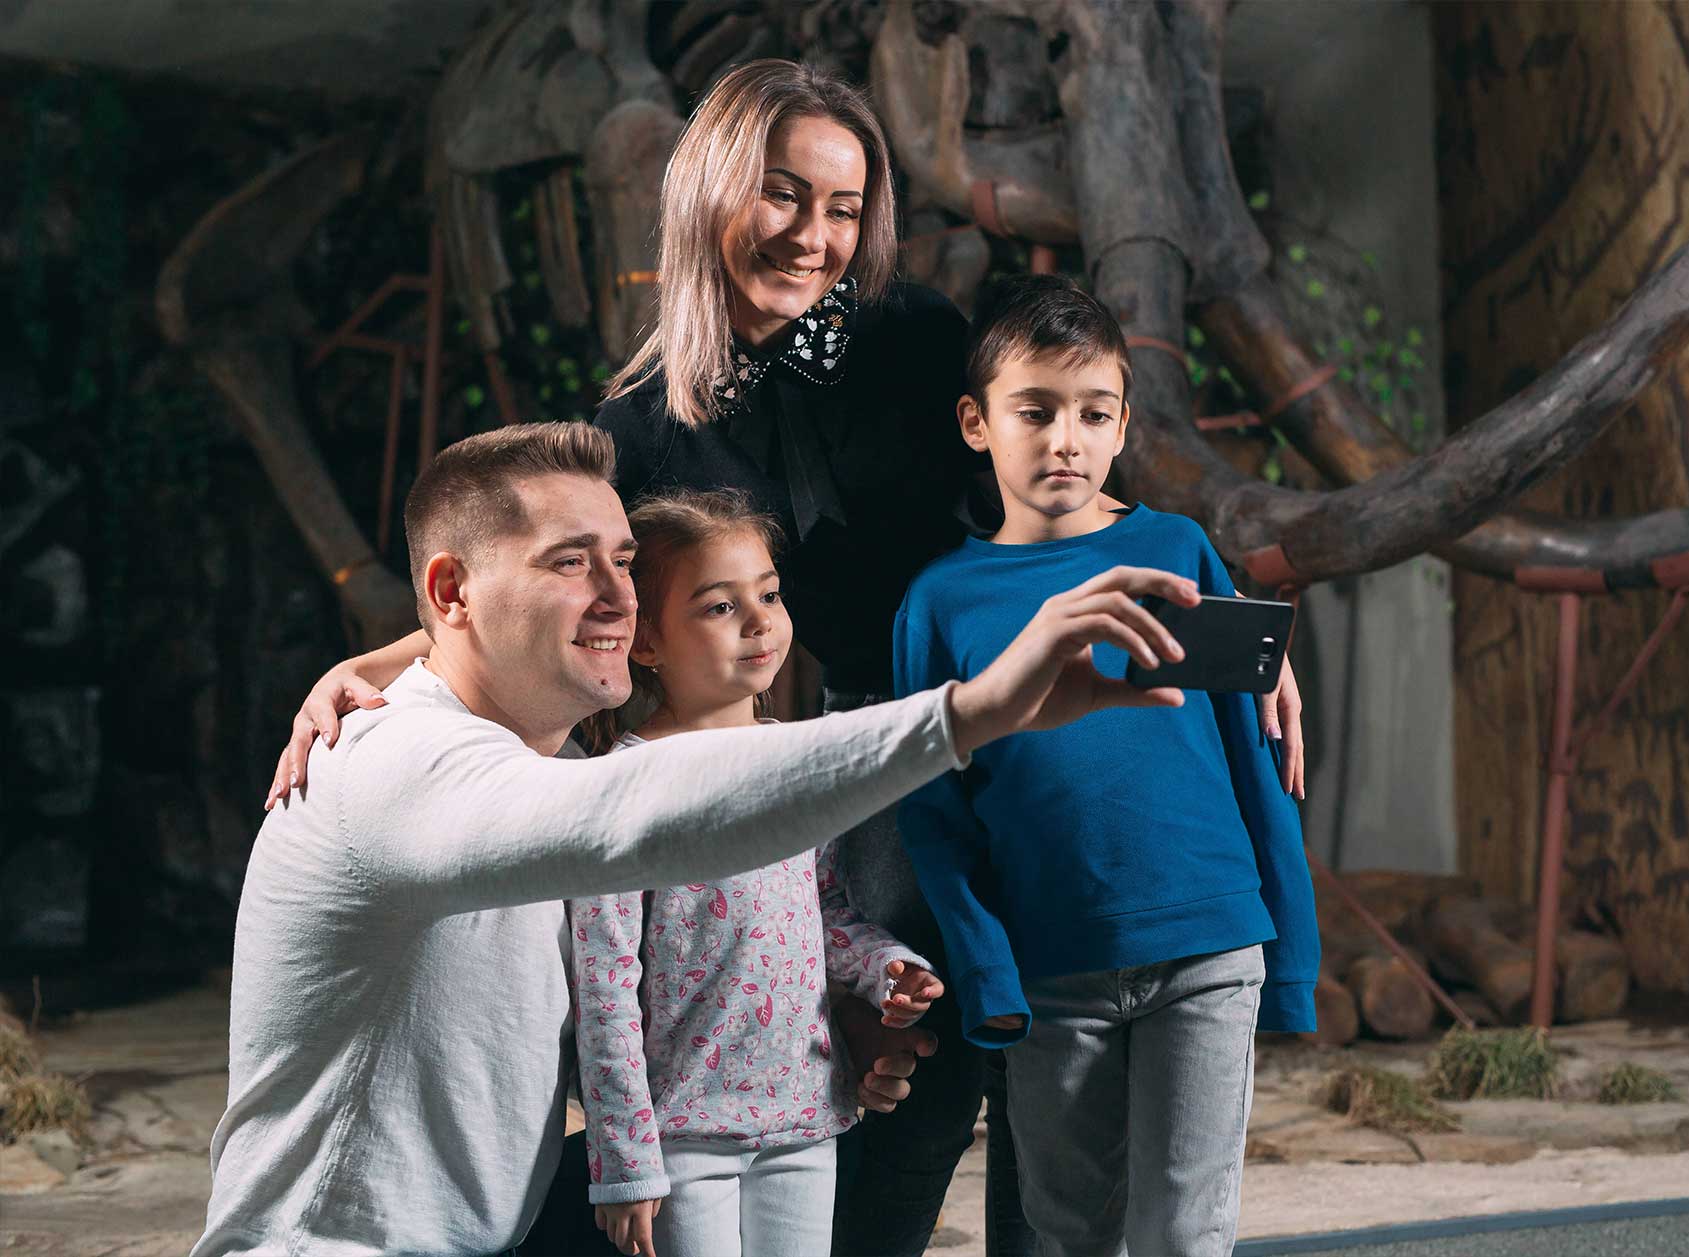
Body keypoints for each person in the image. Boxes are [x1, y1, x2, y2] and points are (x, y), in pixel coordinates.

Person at [264, 59, 1306, 1255]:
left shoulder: (911, 337)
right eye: (784, 196)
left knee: (1055, 1069)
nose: (816, 237)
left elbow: (1059, 458)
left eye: (844, 208)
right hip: (861, 745)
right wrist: (386, 659)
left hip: (1040, 727)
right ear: (709, 191)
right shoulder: (642, 424)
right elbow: (541, 576)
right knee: (905, 1066)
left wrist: (1218, 623)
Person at [197, 421, 1203, 1257]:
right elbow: (637, 816)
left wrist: (821, 1014)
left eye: (623, 561)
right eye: (567, 562)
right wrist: (971, 711)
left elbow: (656, 952)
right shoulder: (394, 762)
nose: (615, 594)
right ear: (453, 592)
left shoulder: (531, 761)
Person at [892, 276, 1321, 1256]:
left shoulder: (1177, 551)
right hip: (1049, 969)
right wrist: (986, 967)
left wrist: (1290, 953)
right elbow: (930, 810)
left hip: (1208, 949)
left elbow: (1251, 761)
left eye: (1091, 414)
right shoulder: (939, 600)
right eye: (1033, 412)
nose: (1063, 440)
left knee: (1185, 1236)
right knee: (1062, 1236)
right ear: (975, 422)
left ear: (1123, 424)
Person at [571, 489, 943, 1257]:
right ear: (646, 641)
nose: (759, 619)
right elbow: (601, 987)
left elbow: (823, 911)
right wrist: (623, 1162)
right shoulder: (621, 783)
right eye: (718, 606)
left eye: (769, 593)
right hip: (681, 1135)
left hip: (807, 1114)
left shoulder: (796, 760)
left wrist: (885, 968)